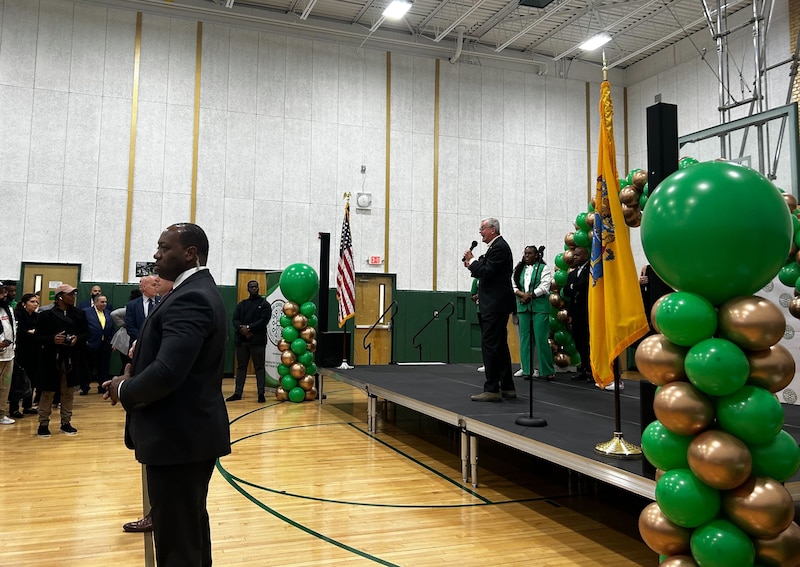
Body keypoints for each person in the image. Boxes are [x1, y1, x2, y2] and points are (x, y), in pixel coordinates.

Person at [103, 223, 230, 566]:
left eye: (164, 247)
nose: (156, 255)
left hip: (179, 438)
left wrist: (123, 388)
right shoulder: (192, 291)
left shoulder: (191, 297)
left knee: (177, 542)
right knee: (187, 531)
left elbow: (169, 372)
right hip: (185, 436)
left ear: (190, 253)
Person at [463, 218, 516, 402]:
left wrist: (472, 261)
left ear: (492, 230)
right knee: (499, 345)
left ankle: (492, 388)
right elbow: (483, 269)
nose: (480, 232)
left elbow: (486, 272)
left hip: (495, 304)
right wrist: (472, 264)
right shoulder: (494, 248)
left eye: (483, 229)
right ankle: (507, 387)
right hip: (495, 303)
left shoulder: (499, 247)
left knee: (491, 345)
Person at [34, 283, 88, 437]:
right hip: (51, 358)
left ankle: (66, 422)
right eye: (69, 294)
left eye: (74, 294)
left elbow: (87, 333)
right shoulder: (45, 315)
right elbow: (37, 337)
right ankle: (43, 424)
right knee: (48, 392)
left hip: (71, 358)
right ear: (59, 297)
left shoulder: (79, 314)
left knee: (68, 391)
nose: (73, 297)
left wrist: (77, 339)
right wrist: (52, 339)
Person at [513, 245, 555, 381]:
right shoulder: (519, 269)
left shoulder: (543, 268)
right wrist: (521, 294)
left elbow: (544, 286)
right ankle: (527, 370)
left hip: (539, 307)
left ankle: (547, 370)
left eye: (530, 253)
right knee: (525, 339)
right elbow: (512, 284)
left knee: (541, 339)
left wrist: (530, 295)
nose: (526, 256)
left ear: (536, 255)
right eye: (525, 253)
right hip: (523, 306)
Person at [227, 280, 271, 403]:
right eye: (251, 287)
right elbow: (235, 319)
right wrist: (243, 329)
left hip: (257, 342)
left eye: (255, 287)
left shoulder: (264, 304)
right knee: (241, 367)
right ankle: (237, 393)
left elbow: (263, 320)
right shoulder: (242, 304)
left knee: (259, 367)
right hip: (242, 342)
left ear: (258, 288)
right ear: (248, 289)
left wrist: (249, 328)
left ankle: (261, 394)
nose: (254, 289)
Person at [563, 247, 592, 384]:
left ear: (585, 256)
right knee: (579, 342)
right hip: (576, 312)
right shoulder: (572, 273)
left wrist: (574, 287)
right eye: (574, 255)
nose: (574, 257)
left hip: (587, 311)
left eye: (577, 255)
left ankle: (591, 370)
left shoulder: (590, 271)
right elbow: (566, 290)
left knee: (588, 342)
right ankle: (583, 368)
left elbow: (584, 286)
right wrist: (575, 286)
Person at [10, 293, 40, 417]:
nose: (35, 304)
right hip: (21, 352)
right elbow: (20, 332)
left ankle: (27, 406)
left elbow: (38, 332)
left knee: (31, 379)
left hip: (34, 351)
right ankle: (14, 408)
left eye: (37, 302)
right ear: (24, 304)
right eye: (32, 302)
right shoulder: (18, 315)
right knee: (18, 380)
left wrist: (32, 332)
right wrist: (30, 332)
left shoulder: (37, 316)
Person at [82, 294, 115, 395]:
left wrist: (112, 342)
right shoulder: (86, 312)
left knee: (104, 367)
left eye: (105, 302)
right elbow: (82, 327)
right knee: (88, 367)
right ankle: (85, 387)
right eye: (102, 302)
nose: (104, 304)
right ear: (95, 302)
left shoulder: (109, 314)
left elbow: (112, 330)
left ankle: (102, 387)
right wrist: (85, 341)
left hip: (105, 344)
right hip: (90, 344)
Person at [124, 275, 160, 349]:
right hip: (139, 344)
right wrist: (143, 338)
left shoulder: (162, 301)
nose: (157, 287)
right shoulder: (132, 305)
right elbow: (130, 326)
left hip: (159, 344)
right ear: (143, 287)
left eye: (157, 285)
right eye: (153, 285)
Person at [0, 282, 17, 425]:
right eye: (1, 292)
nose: (3, 295)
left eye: (4, 292)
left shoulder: (8, 309)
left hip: (8, 355)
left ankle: (1, 414)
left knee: (4, 388)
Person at [470, 278, 486, 373]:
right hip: (480, 310)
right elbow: (472, 296)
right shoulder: (476, 280)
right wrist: (476, 296)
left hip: (492, 309)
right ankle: (486, 363)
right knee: (485, 336)